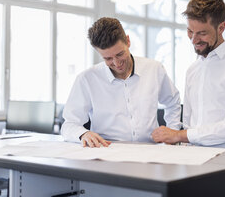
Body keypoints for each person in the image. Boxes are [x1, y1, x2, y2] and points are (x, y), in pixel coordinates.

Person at [151, 0, 225, 151]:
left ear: (221, 28)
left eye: (202, 33)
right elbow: (189, 122)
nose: (194, 40)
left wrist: (179, 135)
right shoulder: (193, 69)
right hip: (195, 160)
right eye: (190, 31)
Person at [61, 17, 181, 147]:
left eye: (120, 54)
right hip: (107, 152)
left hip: (150, 151)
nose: (117, 63)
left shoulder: (154, 69)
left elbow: (172, 101)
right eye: (108, 58)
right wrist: (83, 134)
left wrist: (173, 133)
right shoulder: (86, 79)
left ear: (128, 41)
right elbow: (69, 125)